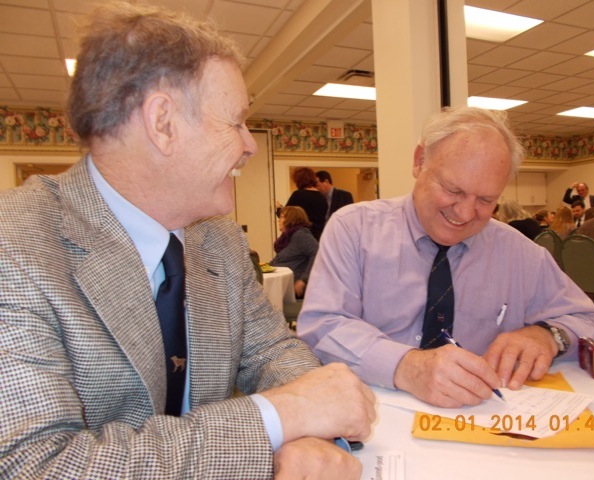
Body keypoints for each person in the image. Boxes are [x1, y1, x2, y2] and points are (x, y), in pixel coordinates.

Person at [0, 3, 375, 479]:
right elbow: (36, 465)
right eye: (236, 121)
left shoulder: (217, 237)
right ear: (163, 122)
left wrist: (305, 434)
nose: (250, 144)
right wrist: (277, 421)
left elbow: (271, 351)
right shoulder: (13, 246)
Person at [297, 106, 594, 409]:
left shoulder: (521, 253)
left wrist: (548, 335)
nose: (464, 213)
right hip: (374, 418)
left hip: (483, 424)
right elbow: (322, 325)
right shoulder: (354, 228)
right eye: (453, 189)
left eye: (486, 200)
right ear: (420, 161)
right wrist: (407, 366)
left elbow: (592, 322)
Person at [270, 206, 319, 298]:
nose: (278, 220)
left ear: (291, 219)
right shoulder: (289, 237)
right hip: (283, 285)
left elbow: (317, 254)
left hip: (294, 289)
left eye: (281, 217)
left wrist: (304, 280)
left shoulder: (301, 235)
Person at [285, 167, 328, 240]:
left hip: (303, 238)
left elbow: (286, 215)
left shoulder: (298, 195)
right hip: (319, 238)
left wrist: (278, 209)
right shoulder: (322, 197)